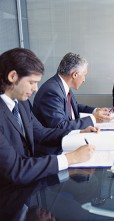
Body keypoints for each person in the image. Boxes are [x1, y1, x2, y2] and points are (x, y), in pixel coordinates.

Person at [0, 48, 96, 187]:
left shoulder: (22, 103)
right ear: (13, 76)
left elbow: (41, 133)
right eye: (32, 82)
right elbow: (16, 169)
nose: (36, 89)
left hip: (30, 180)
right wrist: (70, 158)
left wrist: (78, 132)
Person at [33, 52, 112, 130]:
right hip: (57, 141)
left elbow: (74, 107)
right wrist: (93, 118)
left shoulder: (61, 85)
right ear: (75, 74)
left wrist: (96, 110)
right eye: (84, 75)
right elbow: (60, 127)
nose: (84, 80)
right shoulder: (51, 92)